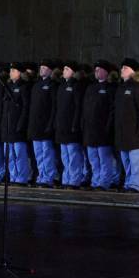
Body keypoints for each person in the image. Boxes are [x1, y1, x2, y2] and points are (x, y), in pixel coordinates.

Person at [114, 58, 139, 193]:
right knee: (127, 163)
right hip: (123, 133)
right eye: (122, 67)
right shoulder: (121, 88)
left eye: (125, 68)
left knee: (136, 162)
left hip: (136, 134)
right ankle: (128, 183)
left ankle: (135, 185)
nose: (122, 70)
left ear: (132, 71)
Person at [81, 60, 118, 190]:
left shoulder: (111, 88)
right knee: (93, 159)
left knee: (104, 159)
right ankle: (95, 181)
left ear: (106, 72)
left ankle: (104, 182)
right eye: (95, 69)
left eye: (99, 69)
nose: (96, 71)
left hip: (103, 131)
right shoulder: (91, 88)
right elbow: (85, 109)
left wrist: (108, 126)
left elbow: (112, 110)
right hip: (90, 131)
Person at [54, 60, 86, 189]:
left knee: (73, 156)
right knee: (65, 156)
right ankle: (66, 179)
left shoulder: (76, 86)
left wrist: (75, 124)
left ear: (73, 72)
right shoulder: (62, 86)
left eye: (67, 69)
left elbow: (78, 107)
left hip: (71, 127)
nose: (64, 71)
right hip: (62, 126)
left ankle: (74, 180)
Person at [28, 59, 58, 188]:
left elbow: (53, 107)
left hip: (45, 126)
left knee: (47, 154)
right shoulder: (36, 85)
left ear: (50, 71)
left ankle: (49, 177)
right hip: (36, 126)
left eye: (44, 68)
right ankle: (42, 175)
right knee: (39, 154)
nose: (41, 70)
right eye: (41, 67)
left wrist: (50, 124)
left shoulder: (52, 85)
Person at [0, 62, 31, 185]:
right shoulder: (8, 87)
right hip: (8, 126)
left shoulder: (24, 87)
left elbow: (25, 107)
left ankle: (21, 178)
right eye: (10, 70)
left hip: (17, 127)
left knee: (19, 155)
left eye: (13, 70)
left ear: (19, 73)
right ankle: (13, 176)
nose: (11, 73)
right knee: (10, 156)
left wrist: (21, 124)